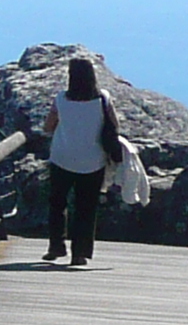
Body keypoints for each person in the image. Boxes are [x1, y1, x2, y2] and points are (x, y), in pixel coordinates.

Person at [41, 57, 125, 266]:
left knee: (57, 203)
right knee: (86, 208)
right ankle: (79, 254)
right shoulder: (103, 99)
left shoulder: (61, 99)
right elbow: (115, 125)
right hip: (93, 161)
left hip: (62, 158)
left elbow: (48, 127)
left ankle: (56, 246)